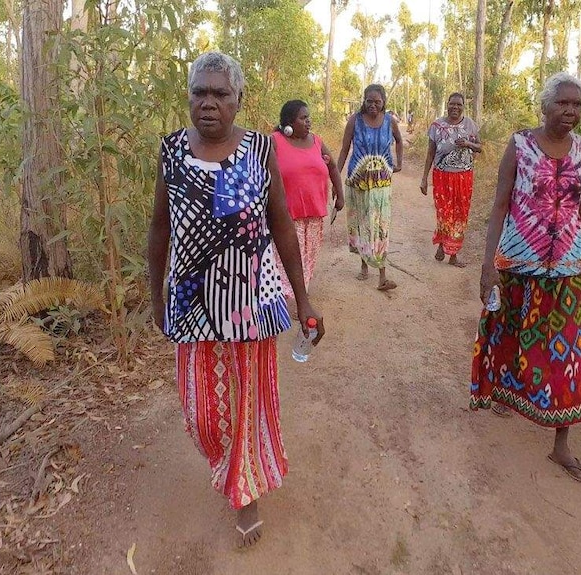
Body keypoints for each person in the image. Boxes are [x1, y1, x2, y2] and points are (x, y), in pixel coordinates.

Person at [147, 52, 325, 547]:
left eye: (219, 94)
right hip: (191, 304)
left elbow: (282, 224)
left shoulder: (259, 151)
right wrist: (155, 296)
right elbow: (159, 227)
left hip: (250, 301)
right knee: (200, 411)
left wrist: (303, 300)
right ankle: (226, 463)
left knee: (246, 404)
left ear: (238, 100)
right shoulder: (171, 153)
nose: (208, 103)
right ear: (188, 98)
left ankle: (244, 490)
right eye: (199, 93)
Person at [471, 72, 581, 482]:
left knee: (571, 354)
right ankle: (507, 396)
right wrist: (488, 265)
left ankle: (561, 445)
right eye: (562, 103)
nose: (570, 111)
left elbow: (578, 208)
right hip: (518, 265)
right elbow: (500, 205)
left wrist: (577, 251)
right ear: (544, 106)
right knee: (510, 335)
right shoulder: (520, 145)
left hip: (567, 268)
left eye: (576, 104)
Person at [272, 99, 344, 315]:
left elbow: (332, 167)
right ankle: (290, 300)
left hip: (313, 213)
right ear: (289, 122)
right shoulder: (275, 141)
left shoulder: (316, 141)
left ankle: (299, 294)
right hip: (286, 215)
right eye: (303, 118)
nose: (308, 121)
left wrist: (340, 195)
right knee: (289, 257)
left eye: (308, 117)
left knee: (308, 257)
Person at [337, 84, 404, 291]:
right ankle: (364, 265)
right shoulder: (354, 121)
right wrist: (334, 177)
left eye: (377, 101)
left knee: (381, 227)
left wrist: (398, 163)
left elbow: (399, 141)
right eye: (369, 101)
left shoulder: (390, 122)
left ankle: (382, 276)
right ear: (363, 101)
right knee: (362, 224)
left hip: (382, 184)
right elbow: (344, 149)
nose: (373, 105)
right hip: (358, 182)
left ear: (383, 102)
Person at [420, 92, 482, 268]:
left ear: (463, 107)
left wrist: (469, 144)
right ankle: (441, 244)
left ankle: (453, 254)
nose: (455, 107)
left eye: (459, 105)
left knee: (460, 215)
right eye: (452, 104)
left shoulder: (471, 125)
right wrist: (424, 178)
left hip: (464, 177)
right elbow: (430, 153)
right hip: (442, 176)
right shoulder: (437, 125)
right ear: (447, 105)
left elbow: (480, 147)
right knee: (444, 213)